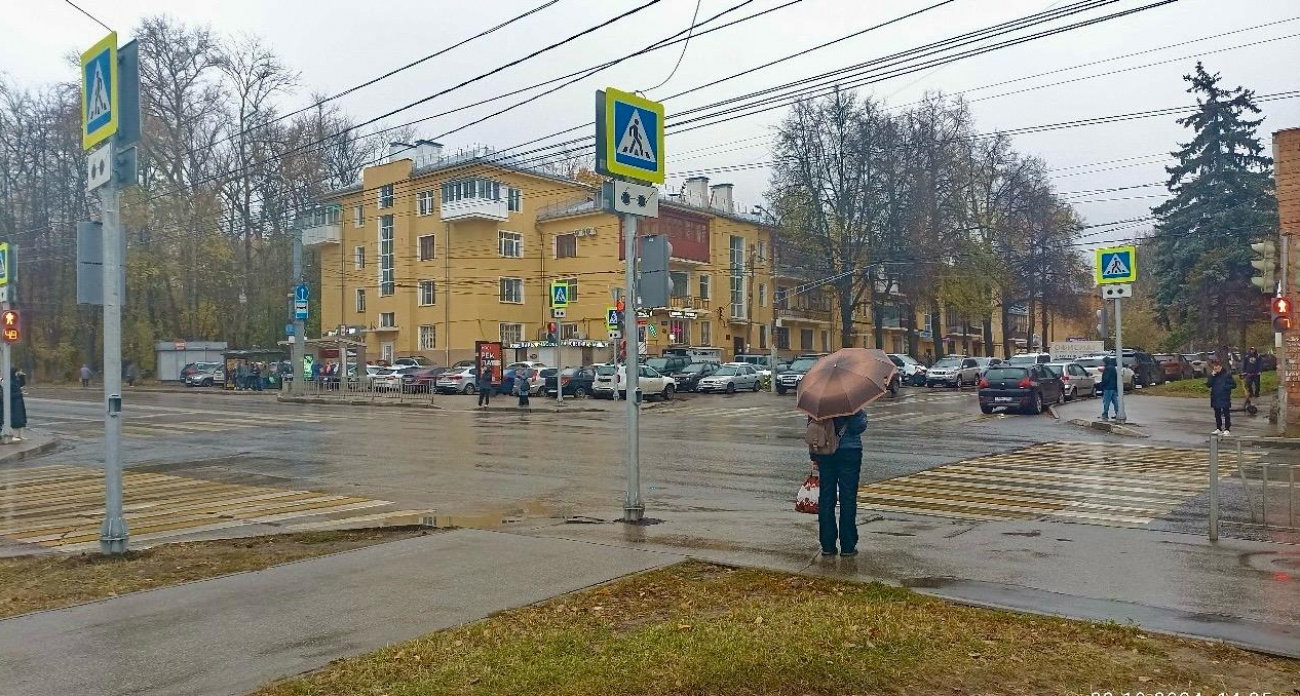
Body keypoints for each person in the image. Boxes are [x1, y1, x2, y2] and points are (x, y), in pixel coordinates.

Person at [809, 410, 868, 557]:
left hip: (825, 451)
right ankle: (848, 546)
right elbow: (858, 427)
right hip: (849, 451)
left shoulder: (819, 402)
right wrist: (855, 414)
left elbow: (813, 429)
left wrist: (814, 456)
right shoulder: (852, 402)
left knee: (826, 498)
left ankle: (827, 545)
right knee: (847, 498)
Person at [1207, 362, 1237, 436]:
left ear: (1220, 367)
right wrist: (1212, 376)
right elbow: (1208, 384)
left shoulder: (1227, 375)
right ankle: (1218, 428)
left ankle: (1227, 429)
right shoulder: (1214, 376)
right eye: (1214, 368)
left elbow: (1233, 385)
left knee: (1226, 413)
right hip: (1215, 397)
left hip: (1224, 396)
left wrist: (1225, 388)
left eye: (1216, 368)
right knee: (1217, 414)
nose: (1215, 369)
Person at [2, 368, 27, 441]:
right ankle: (14, 435)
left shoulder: (15, 379)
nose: (17, 374)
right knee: (16, 419)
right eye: (16, 372)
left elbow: (21, 384)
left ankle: (20, 435)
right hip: (14, 403)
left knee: (20, 419)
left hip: (18, 402)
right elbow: (8, 394)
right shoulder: (9, 381)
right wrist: (19, 393)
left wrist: (22, 376)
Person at [1099, 355, 1120, 421]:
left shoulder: (1107, 368)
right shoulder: (1113, 368)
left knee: (1106, 402)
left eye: (1103, 362)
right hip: (1114, 387)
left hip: (1108, 388)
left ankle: (1105, 415)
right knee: (1115, 402)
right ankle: (1118, 413)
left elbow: (1106, 378)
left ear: (1105, 362)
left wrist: (1102, 384)